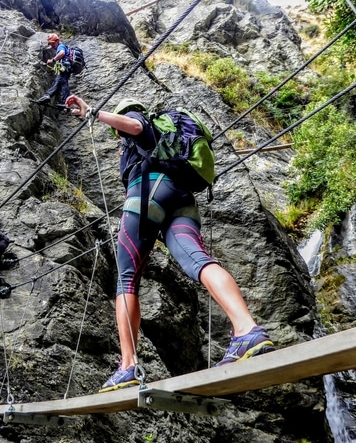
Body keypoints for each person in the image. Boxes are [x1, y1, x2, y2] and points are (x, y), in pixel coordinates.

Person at [65, 94, 276, 393]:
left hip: (148, 193)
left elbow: (135, 128)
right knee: (197, 259)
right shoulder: (169, 135)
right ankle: (247, 330)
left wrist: (93, 112)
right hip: (181, 197)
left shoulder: (138, 122)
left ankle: (127, 367)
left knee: (126, 279)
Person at [35, 33, 71, 105]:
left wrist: (53, 60)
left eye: (52, 43)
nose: (52, 45)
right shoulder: (61, 47)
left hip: (64, 67)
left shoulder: (60, 46)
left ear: (57, 41)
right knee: (61, 83)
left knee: (60, 82)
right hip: (66, 67)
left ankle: (49, 96)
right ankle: (64, 102)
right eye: (50, 44)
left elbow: (62, 53)